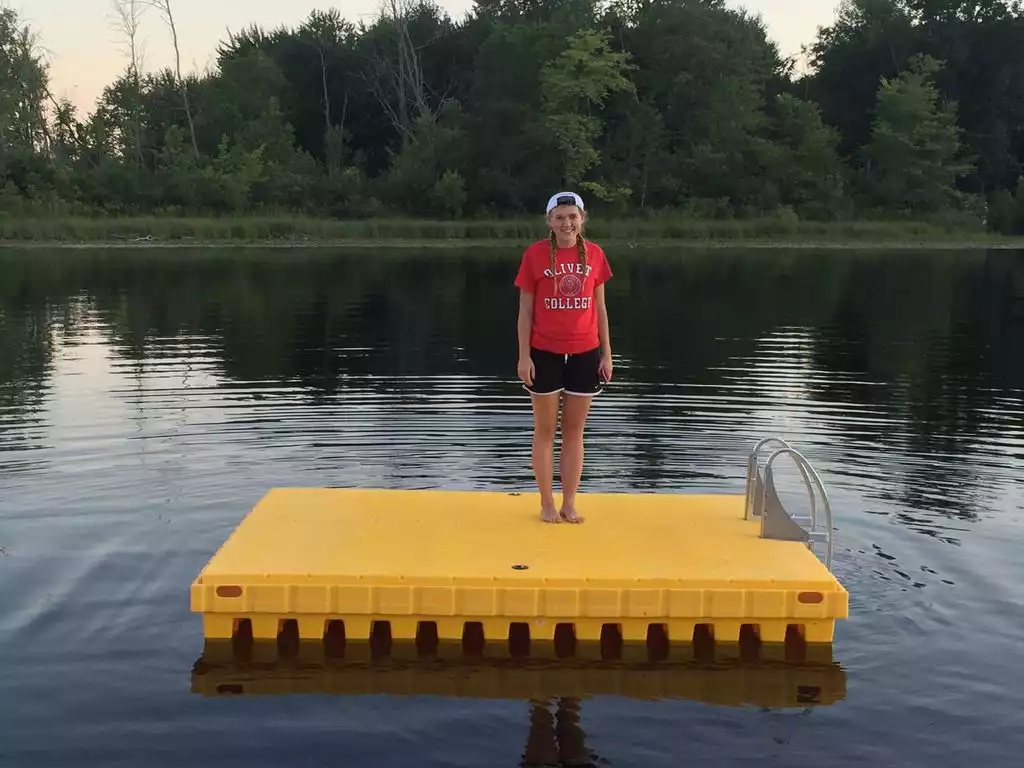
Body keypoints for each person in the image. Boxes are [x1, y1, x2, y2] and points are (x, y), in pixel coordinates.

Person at [514, 191, 613, 524]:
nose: (566, 223)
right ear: (549, 222)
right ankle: (546, 503)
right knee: (544, 430)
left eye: (572, 216)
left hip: (585, 351)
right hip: (544, 352)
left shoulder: (596, 255)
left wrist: (606, 355)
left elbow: (600, 309)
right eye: (560, 217)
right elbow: (525, 312)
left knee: (574, 431)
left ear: (582, 219)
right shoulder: (535, 255)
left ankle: (569, 503)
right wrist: (523, 356)